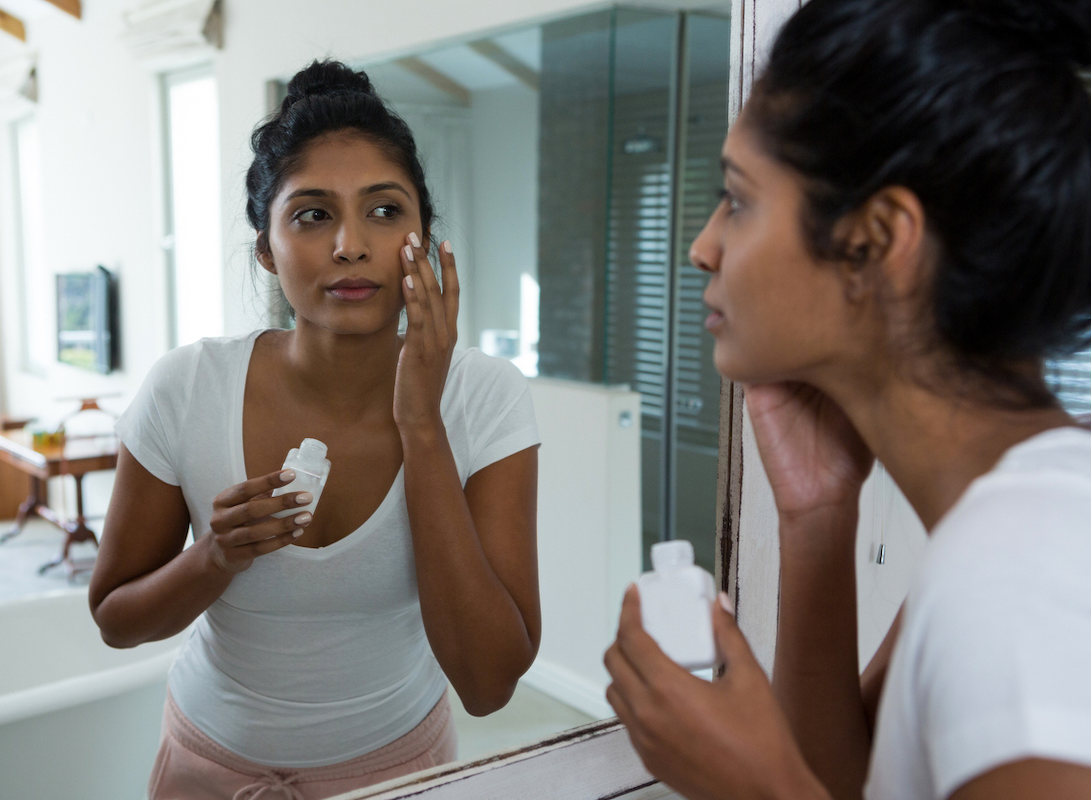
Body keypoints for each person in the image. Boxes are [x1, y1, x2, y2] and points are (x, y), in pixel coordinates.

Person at [603, 1, 1091, 798]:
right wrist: (817, 516)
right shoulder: (1003, 531)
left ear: (876, 239)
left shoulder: (1021, 569)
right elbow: (846, 785)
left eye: (739, 197)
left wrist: (752, 788)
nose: (702, 247)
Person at [89, 60, 542, 800]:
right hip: (209, 769)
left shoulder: (484, 399)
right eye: (312, 214)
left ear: (421, 237)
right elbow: (116, 619)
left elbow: (489, 684)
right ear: (266, 247)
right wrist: (213, 556)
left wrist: (421, 423)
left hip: (397, 773)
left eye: (385, 210)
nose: (350, 245)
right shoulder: (187, 388)